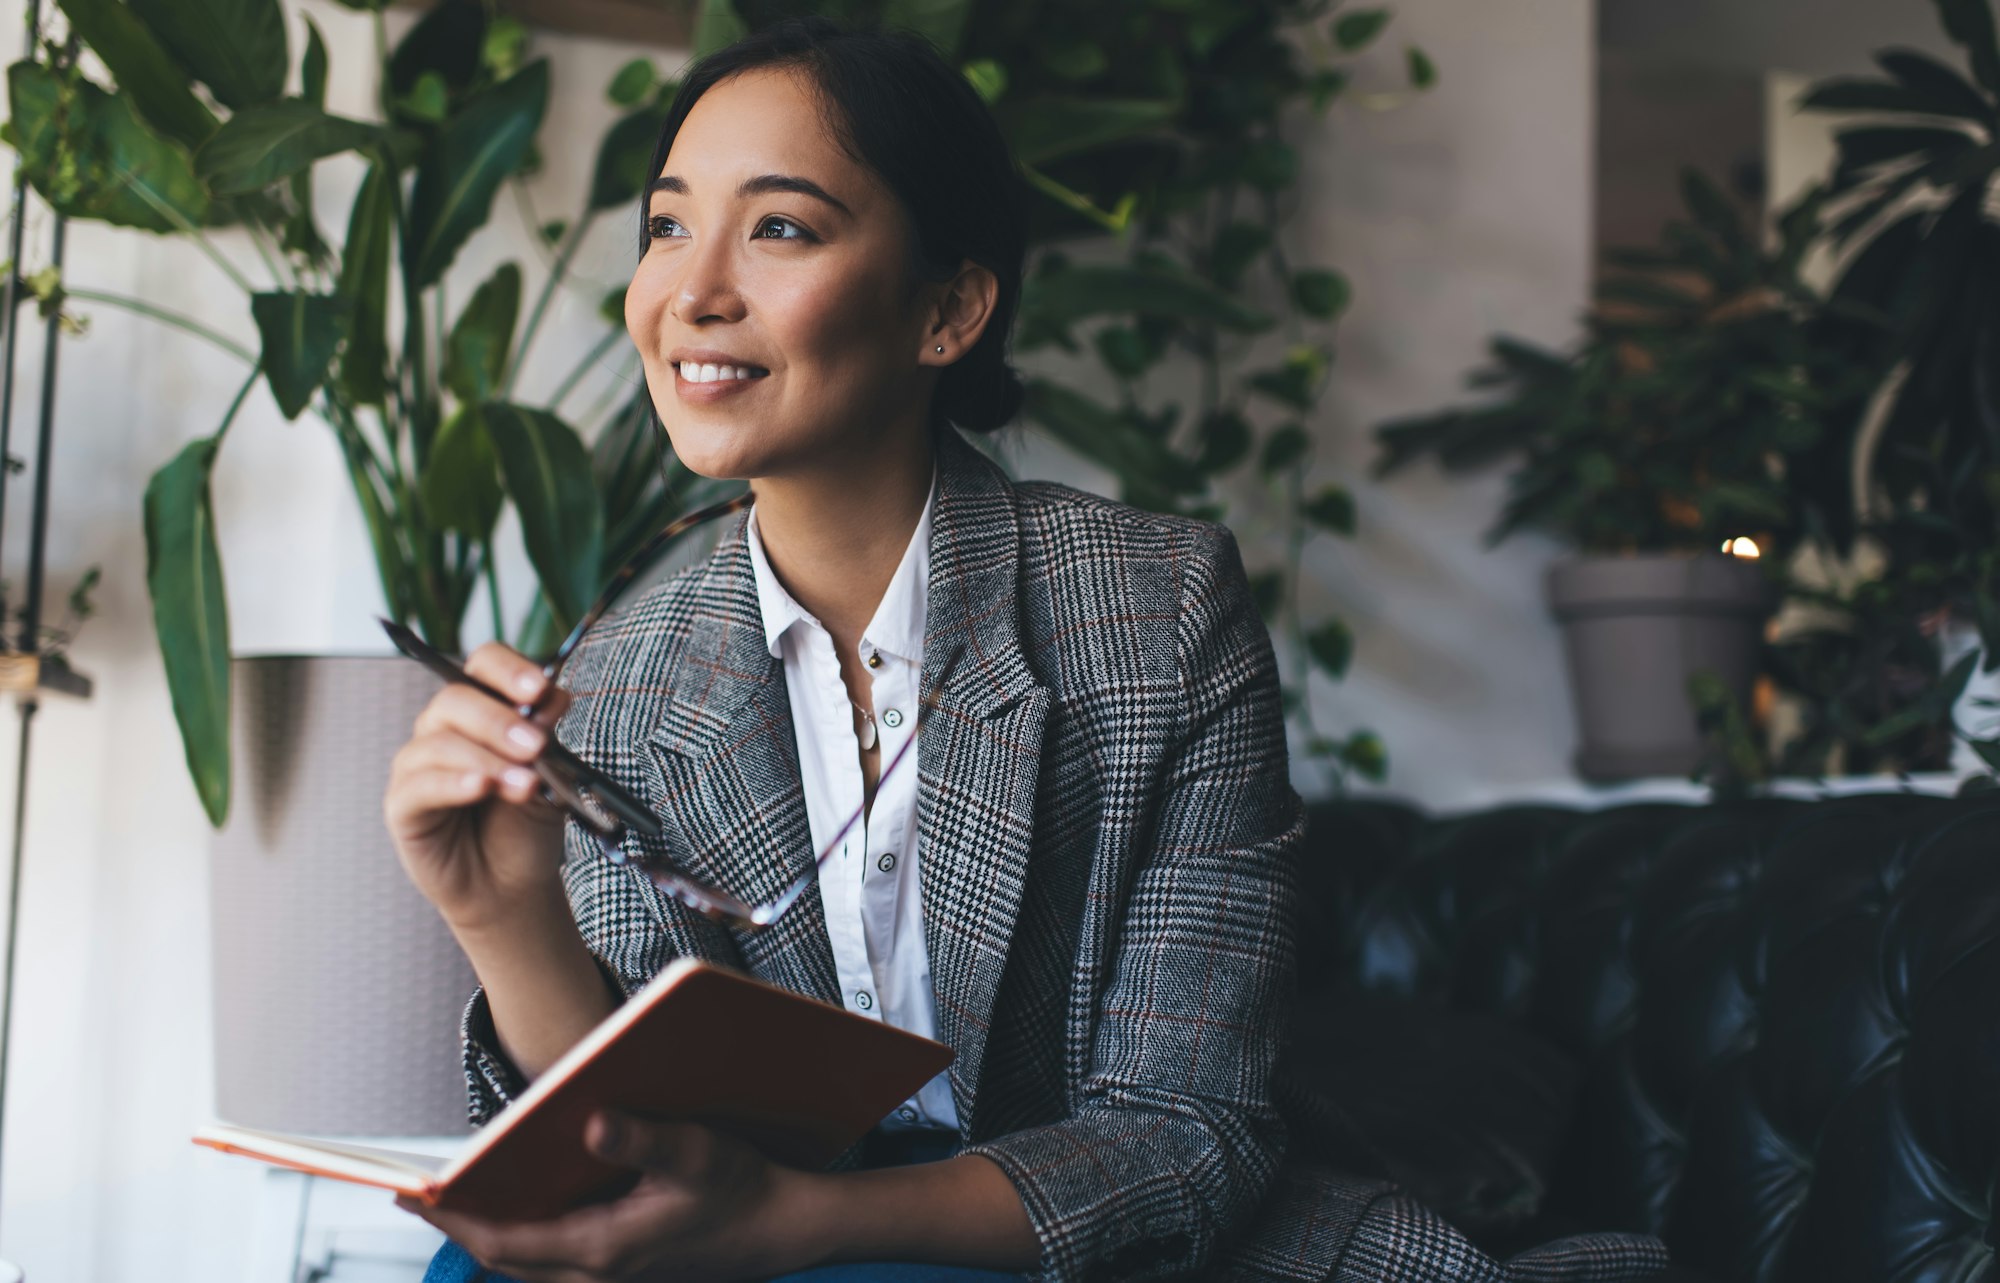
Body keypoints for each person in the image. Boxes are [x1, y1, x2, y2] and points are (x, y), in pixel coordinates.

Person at [382, 17, 1669, 1283]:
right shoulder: (616, 673)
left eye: (778, 227)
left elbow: (1186, 1136)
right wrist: (502, 916)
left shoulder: (1154, 608)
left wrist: (799, 1224)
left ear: (946, 310)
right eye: (666, 224)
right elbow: (625, 1157)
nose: (692, 292)